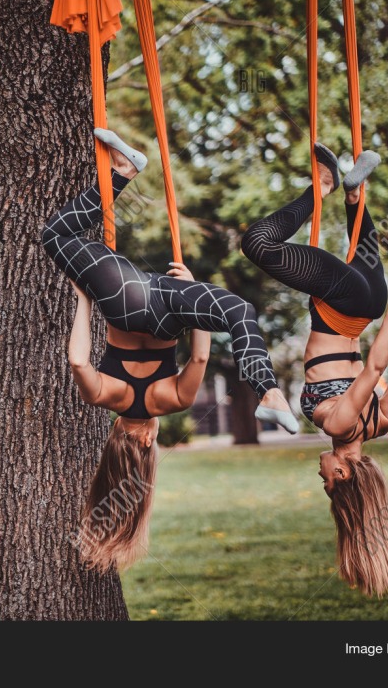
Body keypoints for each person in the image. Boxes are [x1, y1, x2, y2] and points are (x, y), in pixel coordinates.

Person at [42, 128, 299, 574]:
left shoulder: (174, 402)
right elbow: (77, 360)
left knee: (240, 311)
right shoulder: (106, 397)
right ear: (117, 439)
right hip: (126, 299)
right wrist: (85, 299)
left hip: (170, 307)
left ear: (148, 441)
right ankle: (123, 172)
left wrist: (192, 289)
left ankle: (269, 392)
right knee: (55, 237)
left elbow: (199, 356)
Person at [241, 143, 388, 602]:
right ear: (345, 476)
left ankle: (354, 195)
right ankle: (324, 187)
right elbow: (376, 367)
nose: (321, 473)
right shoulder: (339, 422)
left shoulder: (381, 424)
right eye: (328, 480)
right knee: (258, 244)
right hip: (346, 306)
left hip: (363, 295)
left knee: (359, 242)